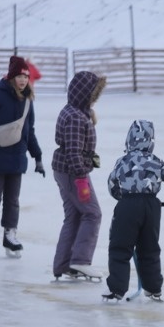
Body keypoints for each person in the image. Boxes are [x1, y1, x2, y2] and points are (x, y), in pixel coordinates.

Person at [102, 120, 164, 302]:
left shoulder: (122, 161)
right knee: (149, 249)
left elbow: (112, 183)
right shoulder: (155, 161)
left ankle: (116, 289)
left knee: (120, 248)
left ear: (129, 140)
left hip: (127, 206)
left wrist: (121, 196)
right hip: (151, 207)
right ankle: (153, 289)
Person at [0, 56, 45, 259]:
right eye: (19, 76)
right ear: (12, 77)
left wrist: (37, 156)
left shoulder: (27, 101)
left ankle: (10, 234)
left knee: (13, 200)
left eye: (26, 76)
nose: (23, 80)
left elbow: (29, 131)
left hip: (17, 157)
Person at [52, 70, 106, 281]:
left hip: (65, 171)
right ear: (84, 93)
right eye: (93, 95)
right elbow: (73, 152)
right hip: (73, 173)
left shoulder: (74, 111)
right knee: (93, 214)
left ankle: (64, 264)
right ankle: (81, 261)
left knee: (74, 216)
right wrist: (82, 178)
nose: (94, 100)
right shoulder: (75, 117)